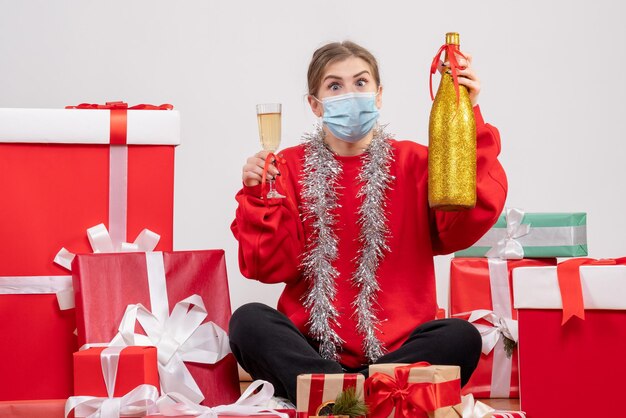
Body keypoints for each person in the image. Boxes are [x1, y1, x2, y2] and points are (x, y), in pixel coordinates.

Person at [229, 40, 507, 404]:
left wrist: (468, 112)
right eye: (334, 86)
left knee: (461, 337)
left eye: (360, 83)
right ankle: (373, 394)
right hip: (312, 349)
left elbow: (463, 222)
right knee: (248, 321)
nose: (350, 94)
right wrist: (259, 195)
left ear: (378, 95)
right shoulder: (288, 166)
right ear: (315, 104)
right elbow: (267, 265)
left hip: (401, 348)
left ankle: (336, 395)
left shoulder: (416, 161)